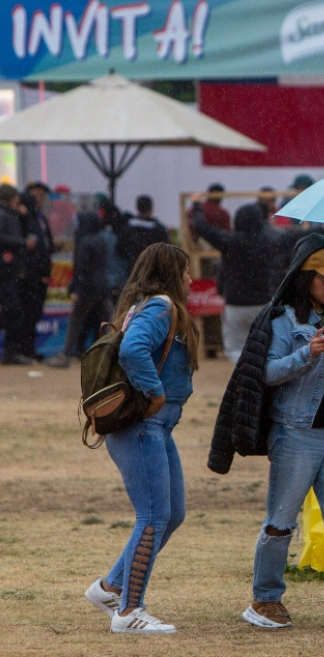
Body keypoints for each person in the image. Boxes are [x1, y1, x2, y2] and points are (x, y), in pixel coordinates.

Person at [210, 233, 324, 631]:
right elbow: (265, 372)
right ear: (303, 277)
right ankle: (264, 600)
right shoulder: (282, 321)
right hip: (295, 434)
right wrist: (306, 353)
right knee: (280, 521)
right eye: (323, 277)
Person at [83, 243, 198, 634]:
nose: (190, 279)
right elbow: (133, 349)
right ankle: (130, 611)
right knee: (152, 517)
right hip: (144, 425)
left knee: (173, 512)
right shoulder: (162, 306)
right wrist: (156, 392)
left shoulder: (145, 304)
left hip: (155, 428)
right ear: (170, 274)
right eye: (185, 272)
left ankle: (111, 587)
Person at [190, 195, 279, 364]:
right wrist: (322, 230)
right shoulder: (270, 242)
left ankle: (244, 383)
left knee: (237, 350)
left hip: (235, 305)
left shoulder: (230, 241)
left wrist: (196, 205)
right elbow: (294, 238)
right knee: (267, 350)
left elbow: (201, 227)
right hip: (263, 305)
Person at [47, 211, 111, 368]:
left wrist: (77, 289)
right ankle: (119, 355)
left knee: (76, 321)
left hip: (87, 288)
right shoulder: (101, 240)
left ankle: (65, 355)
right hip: (102, 288)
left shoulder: (84, 242)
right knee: (110, 322)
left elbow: (81, 269)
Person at [10, 183, 54, 361]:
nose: (39, 199)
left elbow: (43, 245)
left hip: (41, 274)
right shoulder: (23, 218)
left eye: (42, 195)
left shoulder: (40, 217)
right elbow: (29, 249)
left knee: (35, 314)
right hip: (29, 275)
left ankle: (29, 349)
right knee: (26, 313)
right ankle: (22, 349)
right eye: (35, 195)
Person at [0, 184, 30, 364]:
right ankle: (10, 352)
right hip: (5, 270)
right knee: (12, 310)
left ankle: (11, 351)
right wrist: (21, 243)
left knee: (11, 310)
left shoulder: (12, 215)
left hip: (8, 269)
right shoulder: (5, 216)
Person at [115, 195, 170, 274]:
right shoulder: (159, 229)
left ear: (137, 208)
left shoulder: (127, 229)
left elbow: (119, 251)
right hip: (154, 271)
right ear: (151, 209)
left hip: (133, 270)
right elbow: (167, 252)